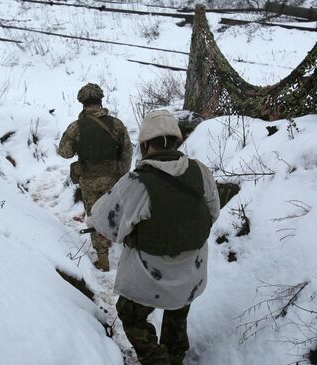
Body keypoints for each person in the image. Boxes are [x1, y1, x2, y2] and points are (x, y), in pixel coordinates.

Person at [89, 110, 220, 365]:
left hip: (148, 275)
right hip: (191, 271)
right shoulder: (200, 172)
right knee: (177, 313)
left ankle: (156, 359)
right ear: (176, 141)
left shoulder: (136, 182)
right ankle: (175, 355)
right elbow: (212, 212)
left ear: (146, 144)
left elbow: (108, 225)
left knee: (131, 315)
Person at [57, 83, 132, 271]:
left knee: (95, 216)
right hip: (113, 179)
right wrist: (122, 173)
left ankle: (103, 259)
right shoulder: (116, 124)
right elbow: (127, 151)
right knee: (116, 212)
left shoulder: (76, 127)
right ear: (100, 101)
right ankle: (126, 252)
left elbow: (64, 152)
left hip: (89, 180)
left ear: (82, 103)